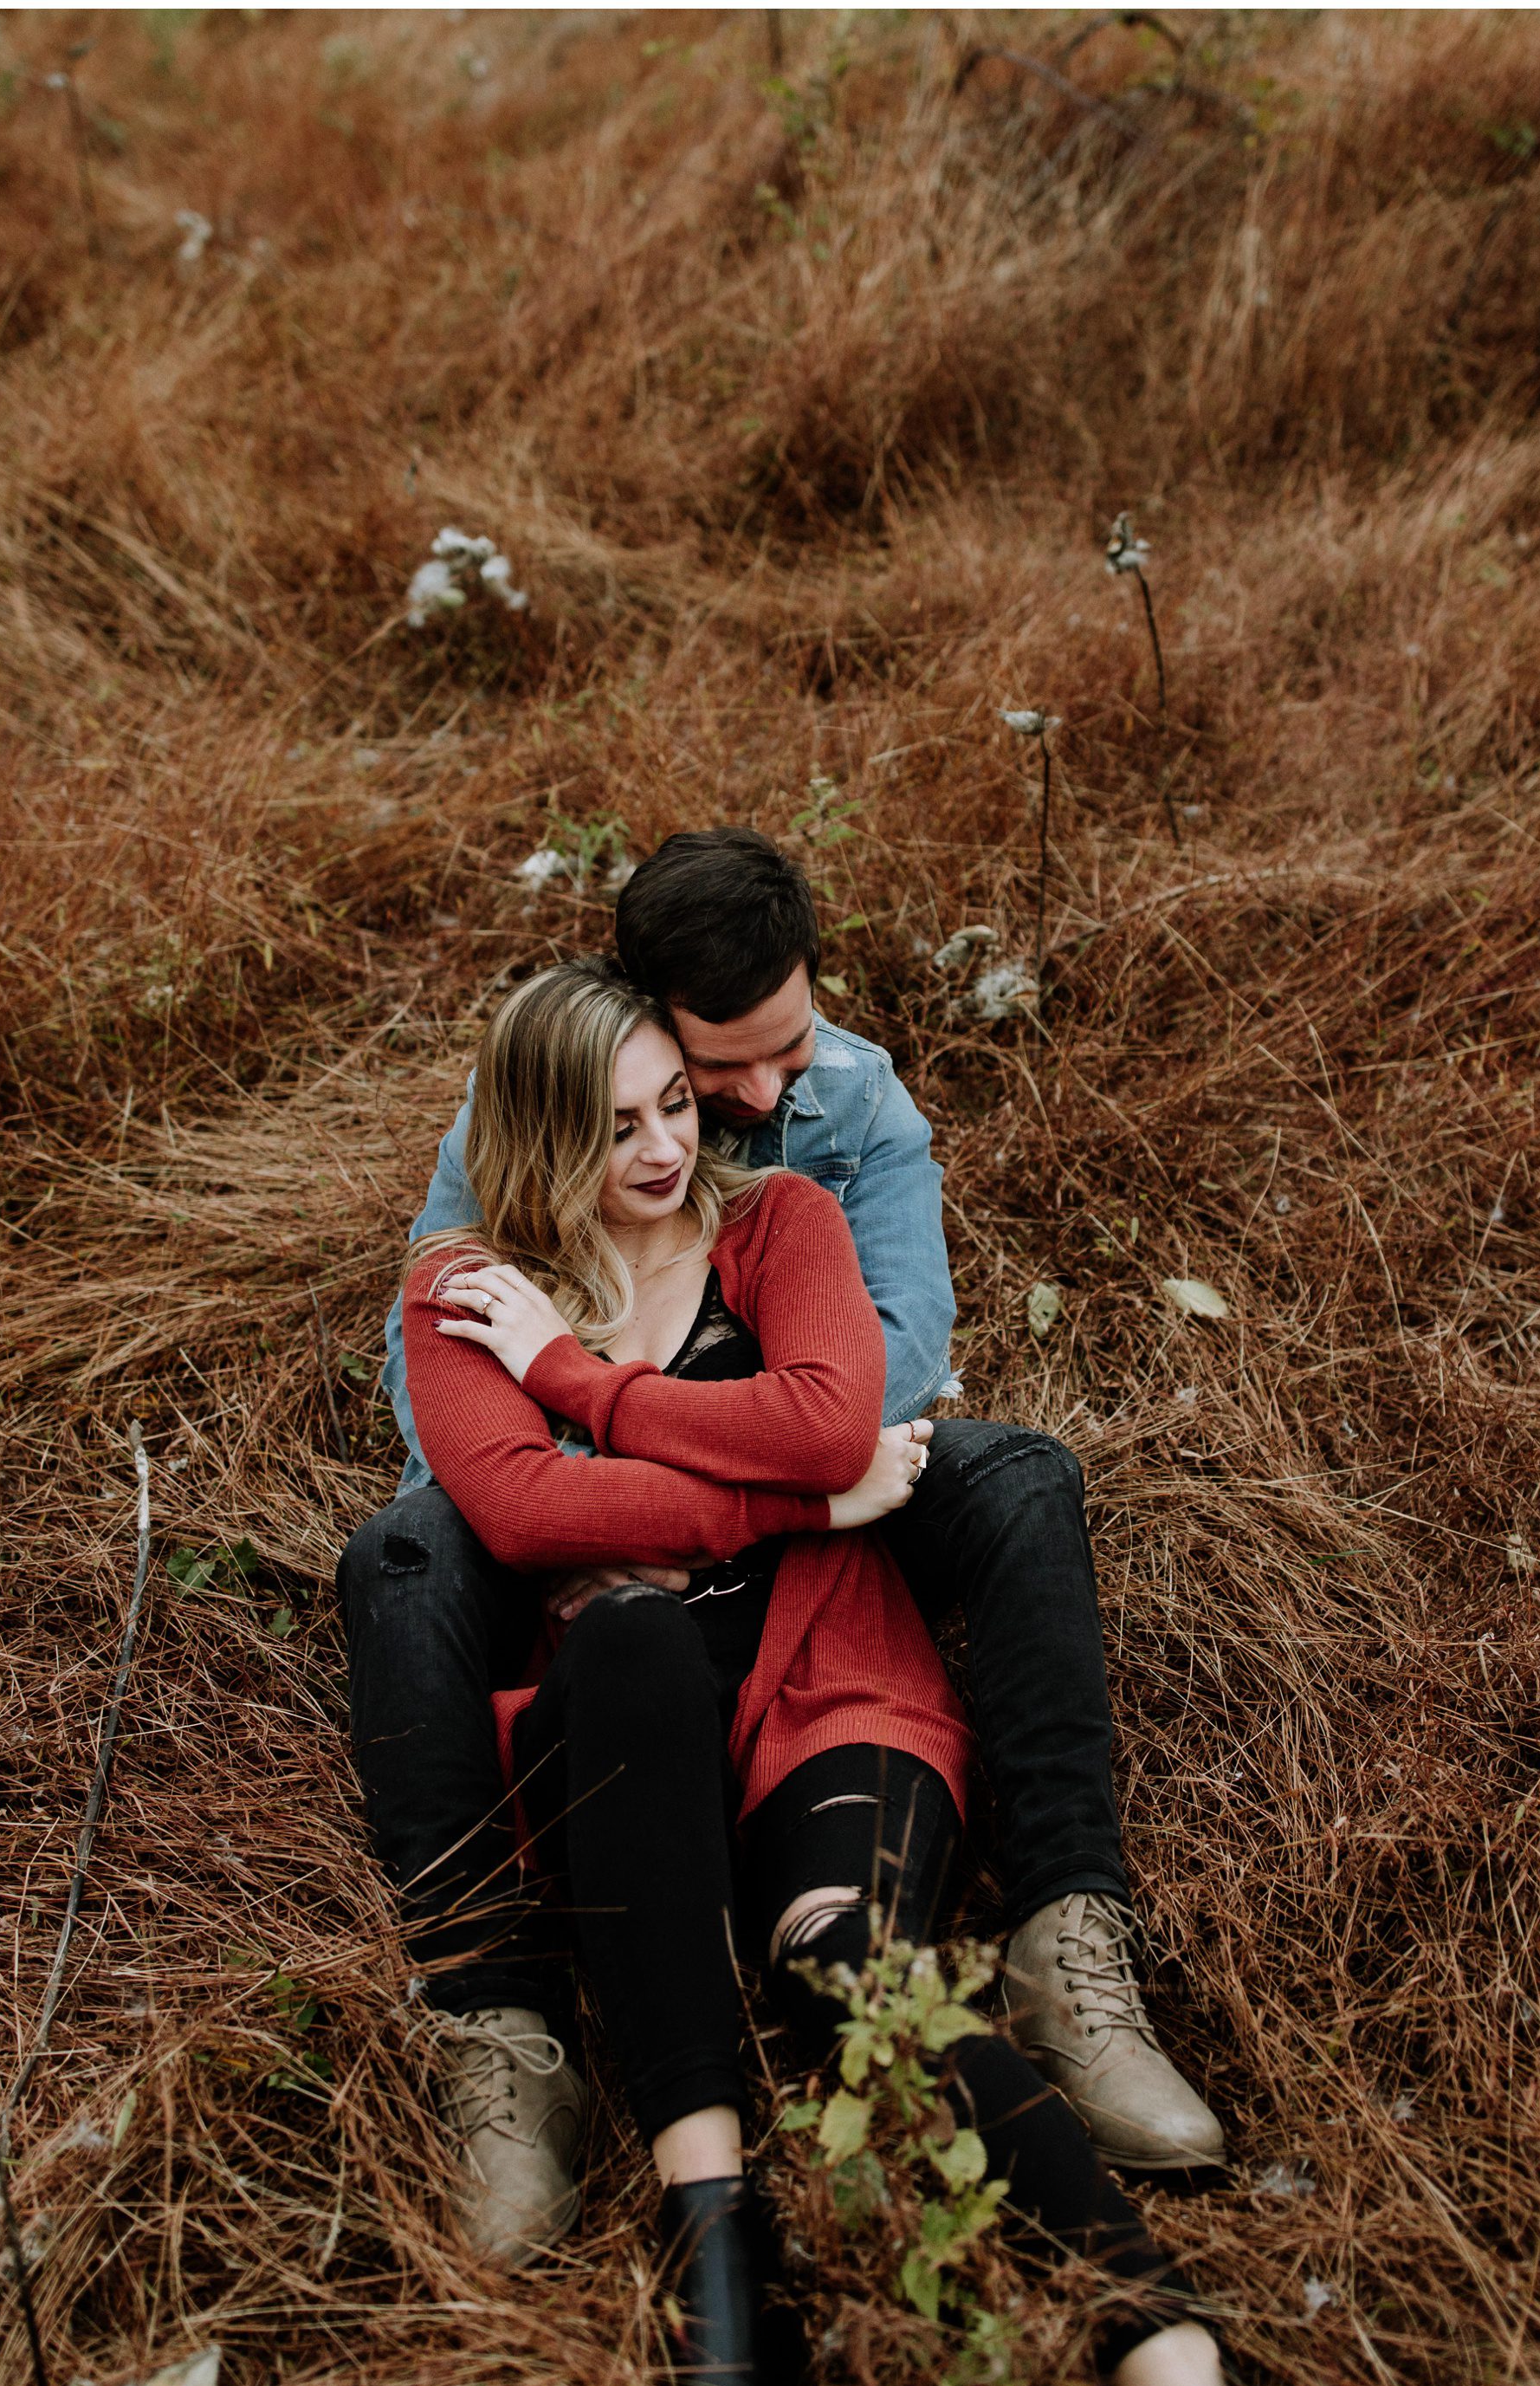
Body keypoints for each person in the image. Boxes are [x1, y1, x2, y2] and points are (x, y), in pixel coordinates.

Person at [382, 956, 1265, 2386]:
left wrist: (582, 1387)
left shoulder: (775, 1223)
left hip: (826, 1681)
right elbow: (522, 1515)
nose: (658, 1153)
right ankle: (724, 2241)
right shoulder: (469, 1283)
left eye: (669, 1108)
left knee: (854, 1962)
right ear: (530, 1131)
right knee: (629, 1644)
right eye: (612, 1125)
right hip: (625, 1736)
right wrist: (803, 1498)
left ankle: (1174, 2358)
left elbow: (834, 1411)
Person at [340, 826, 1223, 2220]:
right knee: (401, 1551)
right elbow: (444, 1403)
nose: (749, 1094)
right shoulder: (535, 1103)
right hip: (631, 1506)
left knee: (1020, 1479)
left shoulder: (857, 1111)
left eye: (784, 1050)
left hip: (825, 1476)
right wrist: (622, 1506)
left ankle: (1068, 1939)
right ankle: (495, 2017)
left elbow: (882, 1377)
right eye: (711, 1067)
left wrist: (650, 1434)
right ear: (635, 1015)